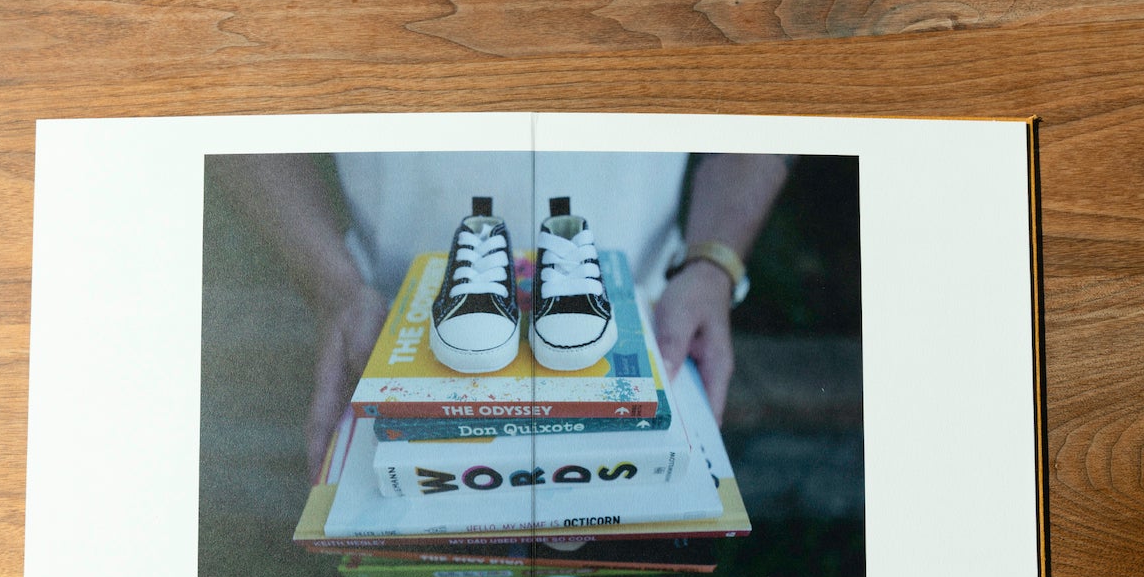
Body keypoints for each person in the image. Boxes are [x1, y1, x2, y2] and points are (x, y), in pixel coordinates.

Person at [213, 151, 789, 478]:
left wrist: (712, 264)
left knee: (584, 478)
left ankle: (555, 576)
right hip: (392, 289)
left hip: (635, 278)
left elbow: (769, 86)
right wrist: (334, 284)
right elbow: (233, 95)